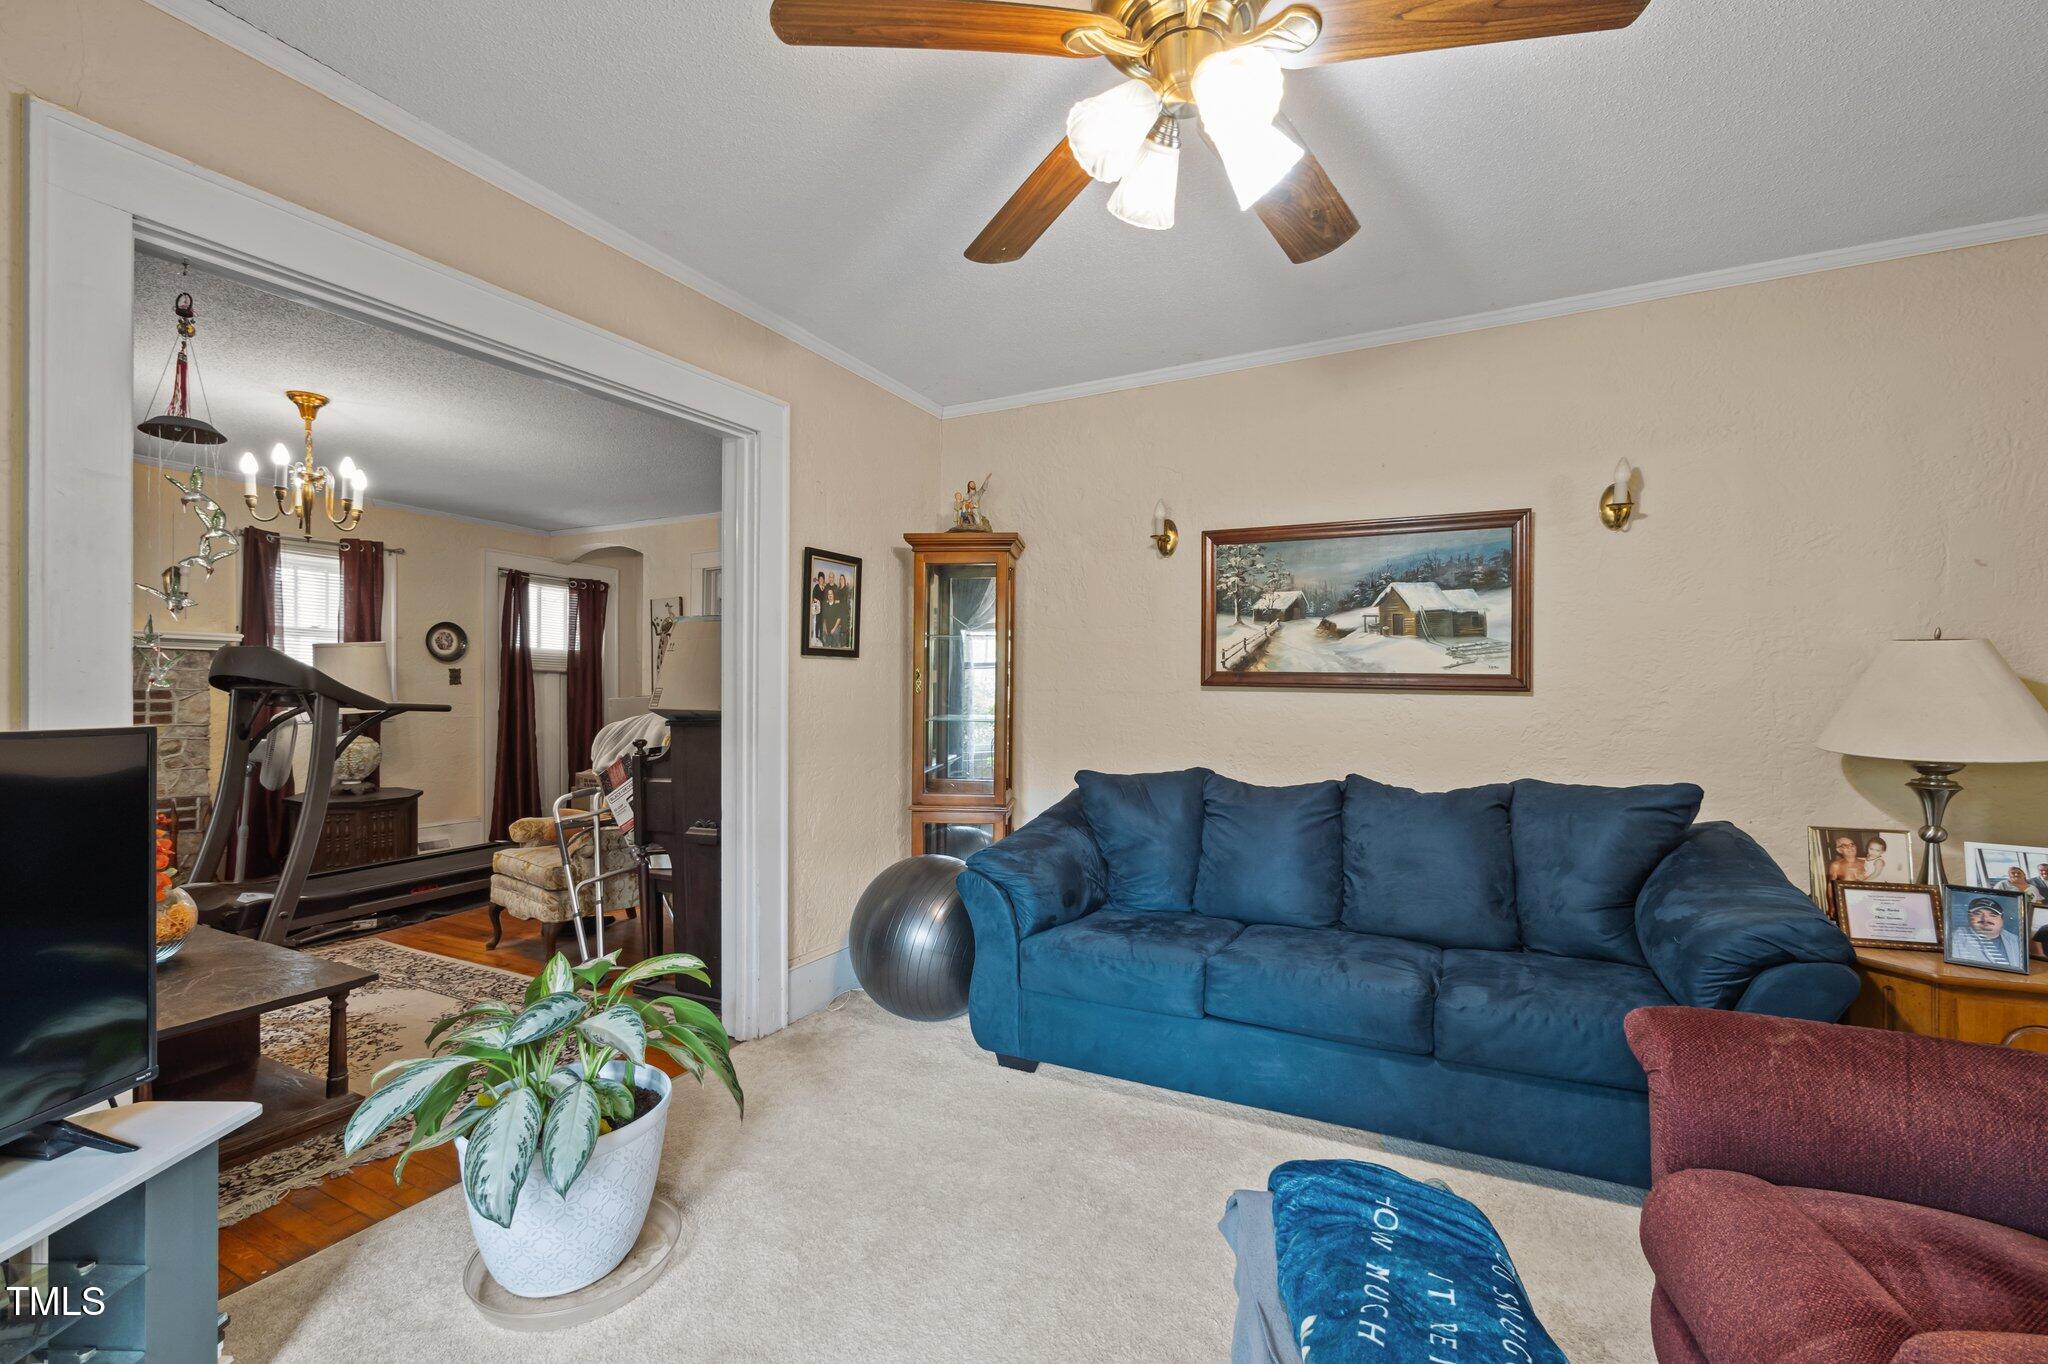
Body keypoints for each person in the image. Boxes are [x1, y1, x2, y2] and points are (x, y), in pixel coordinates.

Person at [1948, 895, 2021, 970]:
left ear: (2002, 920)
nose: (1985, 919)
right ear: (1968, 916)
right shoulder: (1955, 939)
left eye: (1993, 915)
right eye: (1978, 914)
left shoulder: (2016, 941)